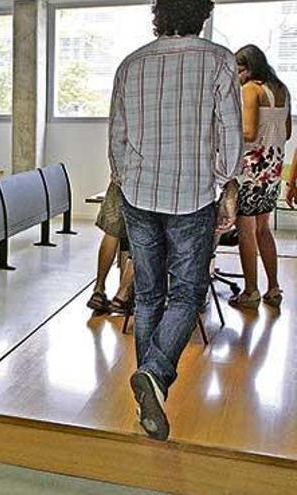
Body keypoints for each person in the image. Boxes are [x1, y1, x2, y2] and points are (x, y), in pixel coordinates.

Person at [108, 0, 241, 441]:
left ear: (158, 16)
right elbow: (230, 137)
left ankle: (150, 387)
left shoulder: (131, 64)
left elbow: (118, 139)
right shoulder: (220, 59)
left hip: (140, 193)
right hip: (193, 195)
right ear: (200, 15)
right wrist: (224, 184)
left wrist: (129, 183)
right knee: (186, 293)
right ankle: (154, 377)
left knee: (147, 296)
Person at [229, 45, 291, 309]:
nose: (238, 76)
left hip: (251, 171)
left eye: (240, 70)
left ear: (250, 67)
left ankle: (251, 290)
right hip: (272, 171)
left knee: (246, 232)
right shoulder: (282, 90)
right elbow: (286, 133)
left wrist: (225, 132)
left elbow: (249, 133)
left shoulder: (250, 90)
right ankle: (274, 287)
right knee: (264, 230)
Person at [86, 182, 135, 314]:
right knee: (145, 237)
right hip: (145, 185)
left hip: (120, 181)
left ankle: (98, 290)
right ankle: (122, 296)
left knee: (111, 233)